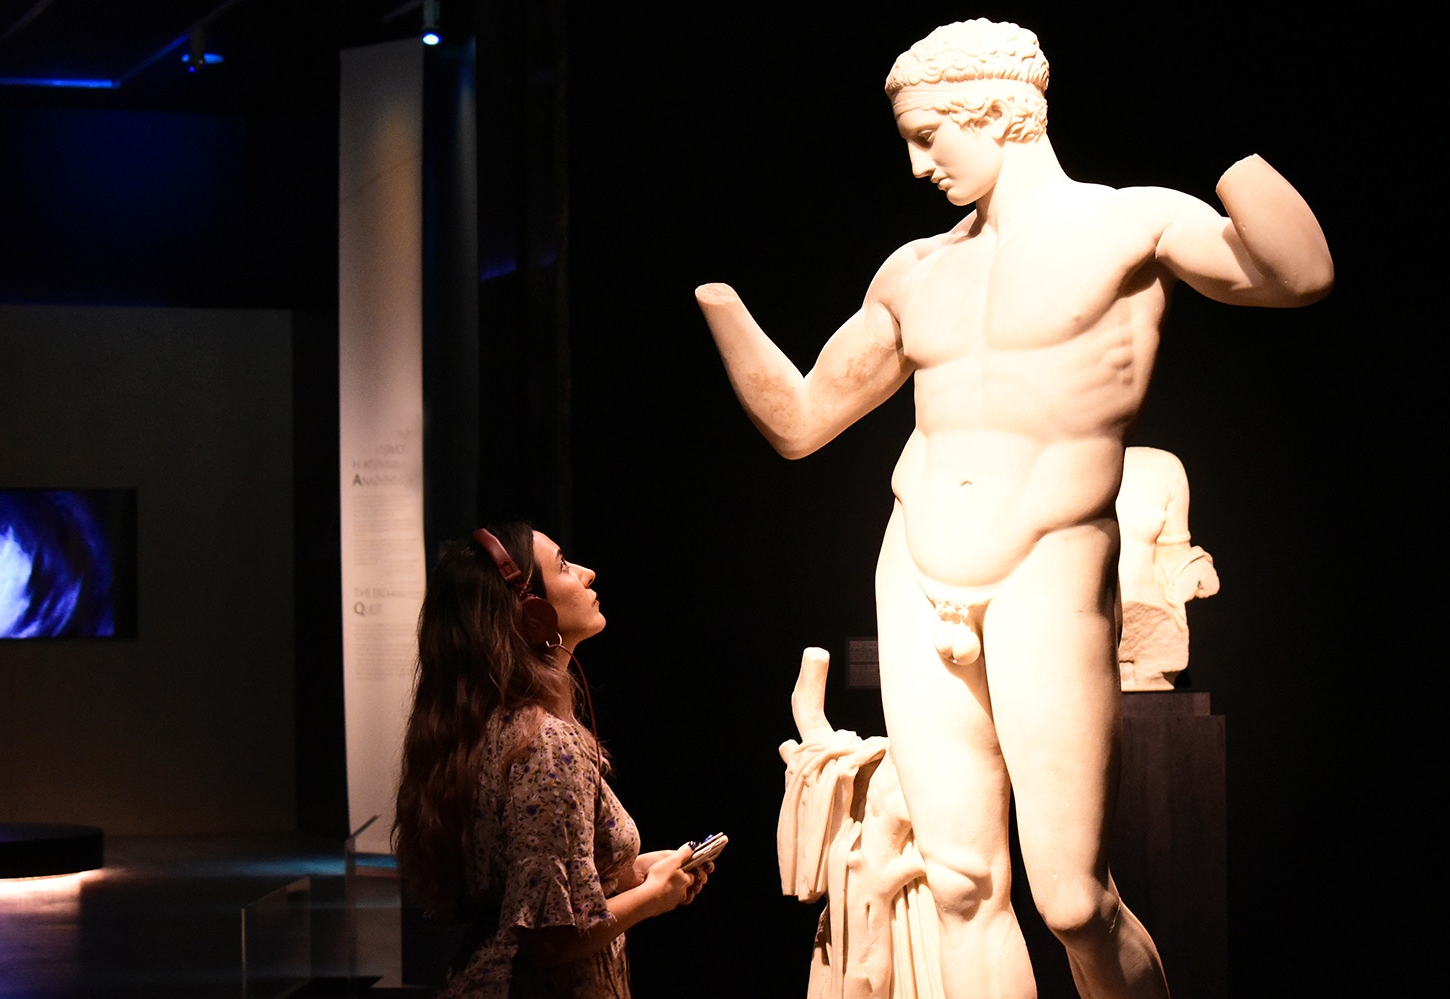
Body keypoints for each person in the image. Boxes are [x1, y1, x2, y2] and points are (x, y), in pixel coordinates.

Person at [697, 18, 1331, 999]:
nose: (916, 166)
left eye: (927, 136)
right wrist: (718, 305)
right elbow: (803, 420)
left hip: (1048, 564)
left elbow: (1296, 275)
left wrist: (1238, 158)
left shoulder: (1131, 223)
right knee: (958, 884)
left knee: (1073, 899)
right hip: (913, 565)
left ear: (998, 110)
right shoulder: (913, 270)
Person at [394, 522, 711, 997]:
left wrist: (634, 872)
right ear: (533, 610)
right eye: (563, 565)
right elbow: (547, 939)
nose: (587, 574)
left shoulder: (492, 729)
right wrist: (652, 898)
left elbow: (531, 882)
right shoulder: (546, 745)